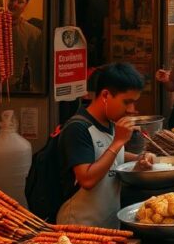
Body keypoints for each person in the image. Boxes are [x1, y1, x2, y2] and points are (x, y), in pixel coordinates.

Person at [58, 63, 154, 228]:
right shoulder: (77, 128)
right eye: (127, 102)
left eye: (134, 103)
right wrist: (118, 141)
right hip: (80, 227)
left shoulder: (110, 122)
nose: (132, 110)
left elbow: (108, 156)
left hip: (109, 223)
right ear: (105, 95)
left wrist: (140, 159)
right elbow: (87, 180)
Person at [8, 0, 42, 87]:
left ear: (25, 5)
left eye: (20, 1)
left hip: (16, 87)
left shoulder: (34, 33)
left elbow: (36, 66)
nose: (14, 4)